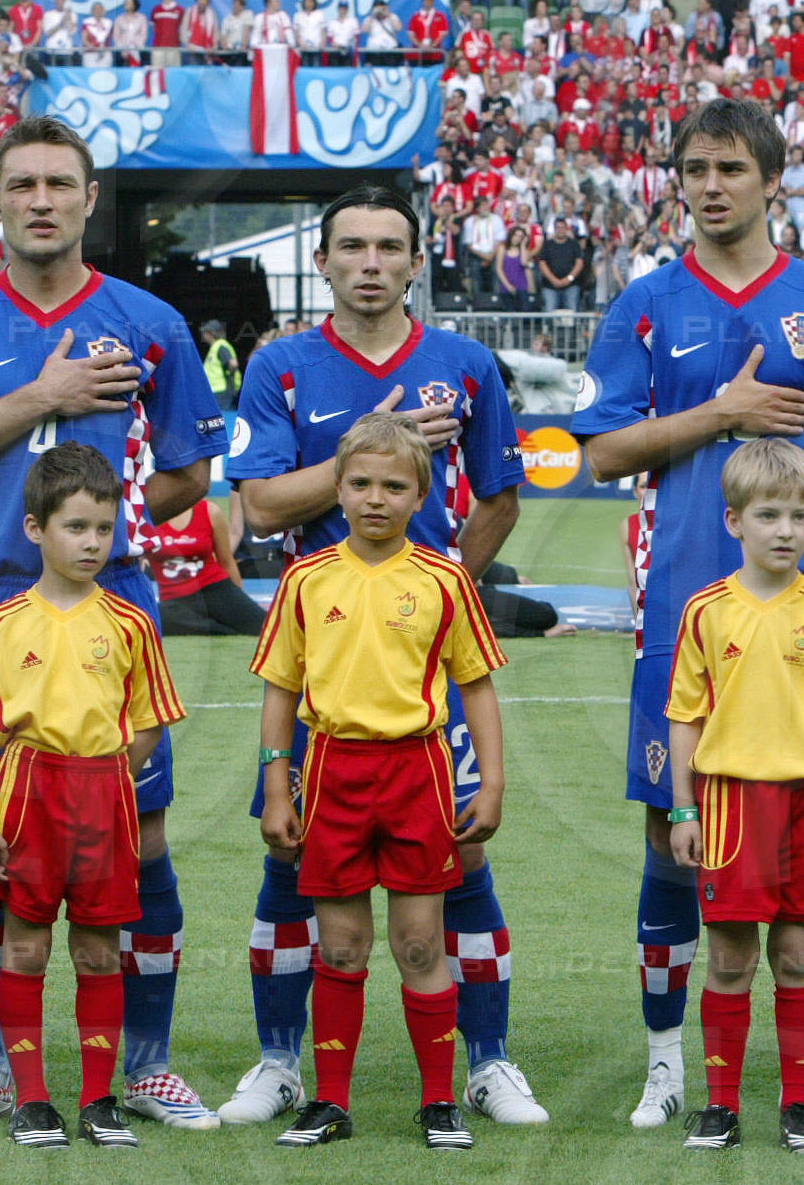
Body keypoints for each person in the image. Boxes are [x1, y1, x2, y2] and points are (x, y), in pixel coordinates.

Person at [0, 119, 225, 1133]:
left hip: (112, 603)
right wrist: (42, 395)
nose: (40, 198)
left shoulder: (148, 321)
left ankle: (146, 1063)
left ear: (87, 200)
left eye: (59, 183)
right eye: (21, 183)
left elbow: (187, 473)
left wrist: (105, 515)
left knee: (140, 834)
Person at [572, 99, 804, 1129]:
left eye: (727, 167)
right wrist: (722, 410)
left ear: (769, 178)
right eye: (692, 168)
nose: (708, 184)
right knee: (669, 841)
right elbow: (600, 452)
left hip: (802, 632)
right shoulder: (642, 305)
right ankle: (667, 1056)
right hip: (683, 618)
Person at [218, 191, 548, 1128]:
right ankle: (284, 1064)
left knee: (462, 867)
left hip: (422, 676)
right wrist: (370, 444)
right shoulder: (281, 365)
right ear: (322, 262)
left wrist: (434, 594)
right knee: (293, 872)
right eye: (351, 246)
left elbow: (500, 497)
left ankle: (485, 1064)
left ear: (416, 262)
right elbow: (261, 510)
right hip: (322, 680)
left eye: (389, 247)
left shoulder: (467, 364)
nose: (370, 261)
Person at [247, 417, 513, 1151]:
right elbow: (279, 688)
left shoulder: (443, 579)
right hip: (332, 769)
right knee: (339, 946)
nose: (375, 499)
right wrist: (277, 786)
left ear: (421, 494)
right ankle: (329, 1102)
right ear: (336, 490)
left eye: (394, 486)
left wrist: (489, 784)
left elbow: (478, 687)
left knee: (422, 942)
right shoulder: (306, 579)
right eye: (360, 483)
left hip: (417, 770)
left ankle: (437, 1103)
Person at [0, 450, 186, 1150]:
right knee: (24, 950)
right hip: (27, 797)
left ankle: (98, 1100)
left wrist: (107, 773)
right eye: (76, 526)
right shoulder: (2, 623)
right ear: (35, 528)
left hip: (102, 799)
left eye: (103, 529)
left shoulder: (130, 622)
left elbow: (147, 721)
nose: (90, 542)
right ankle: (33, 1100)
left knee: (99, 953)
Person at [662, 440, 804, 1156]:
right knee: (728, 960)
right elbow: (685, 716)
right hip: (726, 806)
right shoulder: (705, 612)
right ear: (734, 522)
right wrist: (684, 808)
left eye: (800, 515)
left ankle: (798, 1103)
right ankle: (720, 1107)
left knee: (797, 955)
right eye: (768, 515)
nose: (786, 530)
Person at [126, 488, 263, 635]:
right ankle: (221, 629)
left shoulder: (210, 511)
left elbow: (226, 561)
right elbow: (134, 564)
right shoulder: (146, 517)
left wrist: (239, 600)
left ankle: (216, 626)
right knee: (150, 623)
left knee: (263, 626)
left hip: (215, 590)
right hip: (174, 601)